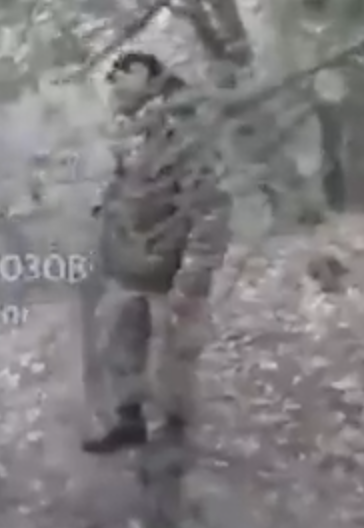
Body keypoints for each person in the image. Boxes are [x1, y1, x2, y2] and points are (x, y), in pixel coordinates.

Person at [82, 51, 232, 455]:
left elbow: (211, 207)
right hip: (128, 269)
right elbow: (115, 196)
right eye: (111, 75)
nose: (114, 81)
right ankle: (129, 423)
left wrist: (195, 274)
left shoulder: (183, 131)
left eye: (124, 74)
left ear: (152, 80)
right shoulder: (123, 133)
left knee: (175, 363)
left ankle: (174, 441)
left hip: (173, 271)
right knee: (119, 349)